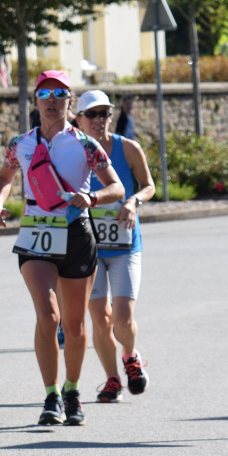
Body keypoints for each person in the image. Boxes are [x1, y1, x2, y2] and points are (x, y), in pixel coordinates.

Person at [0, 71, 124, 426]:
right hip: (35, 235)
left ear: (70, 102)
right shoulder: (20, 144)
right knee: (49, 316)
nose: (52, 101)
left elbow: (117, 188)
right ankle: (51, 396)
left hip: (76, 234)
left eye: (59, 95)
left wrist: (91, 197)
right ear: (35, 101)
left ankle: (72, 390)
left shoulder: (85, 145)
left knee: (74, 325)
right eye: (44, 94)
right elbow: (3, 178)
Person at [75, 90, 156, 402]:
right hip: (88, 247)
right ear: (79, 119)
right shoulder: (72, 152)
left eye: (104, 113)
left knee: (121, 318)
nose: (99, 120)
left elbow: (148, 186)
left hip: (124, 244)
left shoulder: (128, 148)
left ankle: (130, 356)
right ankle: (112, 380)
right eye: (92, 114)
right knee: (100, 319)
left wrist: (133, 202)